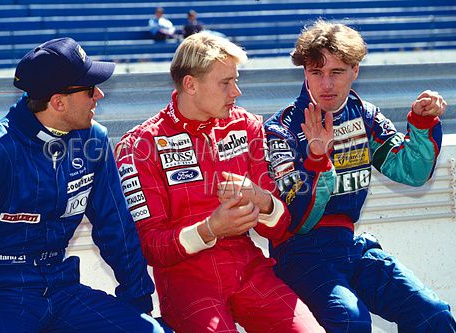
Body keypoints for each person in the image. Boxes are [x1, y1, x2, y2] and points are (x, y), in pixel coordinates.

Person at [114, 32, 324, 333]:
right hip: (186, 279)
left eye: (235, 80)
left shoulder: (247, 125)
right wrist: (210, 229)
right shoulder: (141, 144)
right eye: (225, 83)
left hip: (249, 268)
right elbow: (151, 247)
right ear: (191, 84)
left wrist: (262, 200)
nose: (236, 91)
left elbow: (280, 227)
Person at [0, 37, 169, 333]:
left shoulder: (92, 139)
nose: (100, 95)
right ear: (58, 101)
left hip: (62, 285)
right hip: (0, 291)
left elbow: (116, 225)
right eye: (89, 89)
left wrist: (138, 302)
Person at [264, 19, 456, 333]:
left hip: (352, 244)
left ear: (355, 70)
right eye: (316, 72)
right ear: (305, 73)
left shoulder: (364, 114)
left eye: (336, 72)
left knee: (431, 314)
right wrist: (317, 157)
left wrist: (421, 124)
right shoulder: (281, 128)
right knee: (349, 321)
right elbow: (295, 219)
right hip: (299, 252)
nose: (326, 84)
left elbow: (411, 172)